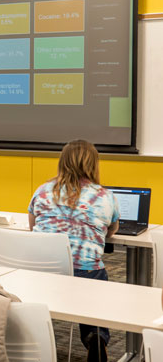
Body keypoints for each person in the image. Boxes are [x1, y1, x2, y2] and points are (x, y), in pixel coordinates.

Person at [28, 139, 118, 362]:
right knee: (94, 276)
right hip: (85, 273)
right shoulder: (105, 196)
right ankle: (95, 335)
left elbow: (32, 227)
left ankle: (30, 333)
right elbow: (110, 231)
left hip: (41, 271)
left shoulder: (42, 191)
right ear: (93, 164)